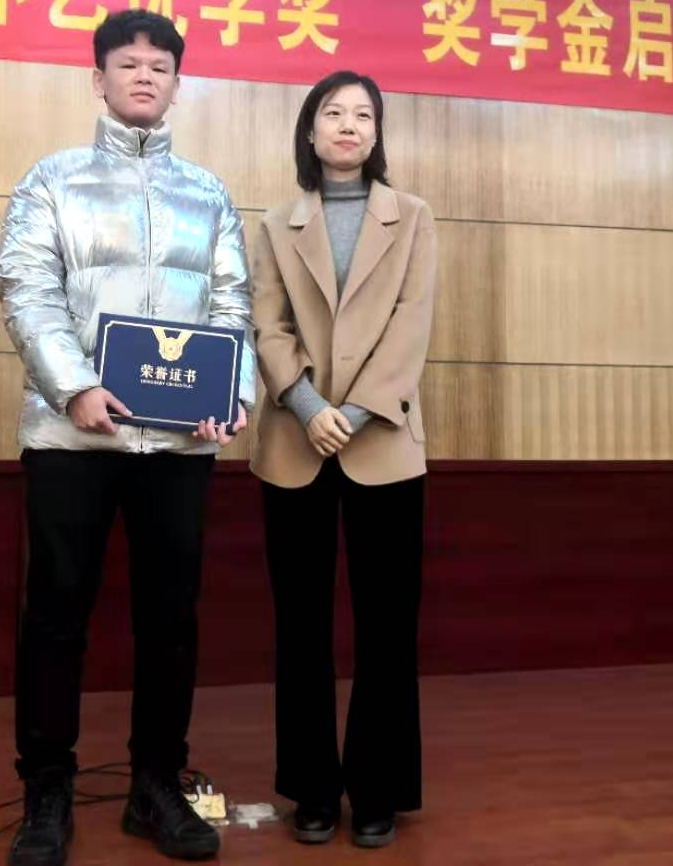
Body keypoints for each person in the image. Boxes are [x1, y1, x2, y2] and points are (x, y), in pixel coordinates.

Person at [0, 9, 255, 866]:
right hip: (71, 438)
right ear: (98, 78)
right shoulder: (53, 181)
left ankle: (155, 785)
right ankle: (46, 792)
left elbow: (233, 304)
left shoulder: (208, 194)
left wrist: (231, 395)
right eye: (128, 63)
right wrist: (74, 387)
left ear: (179, 83)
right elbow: (26, 290)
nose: (145, 77)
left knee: (171, 620)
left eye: (159, 66)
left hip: (179, 447)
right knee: (55, 619)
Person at [248, 69, 437, 849]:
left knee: (387, 626)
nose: (349, 125)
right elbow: (267, 324)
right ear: (311, 129)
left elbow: (411, 326)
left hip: (382, 443)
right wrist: (307, 407)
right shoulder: (276, 222)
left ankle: (379, 789)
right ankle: (313, 790)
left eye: (363, 114)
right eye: (334, 113)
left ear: (377, 132)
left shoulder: (413, 217)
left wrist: (352, 414)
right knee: (301, 626)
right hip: (296, 443)